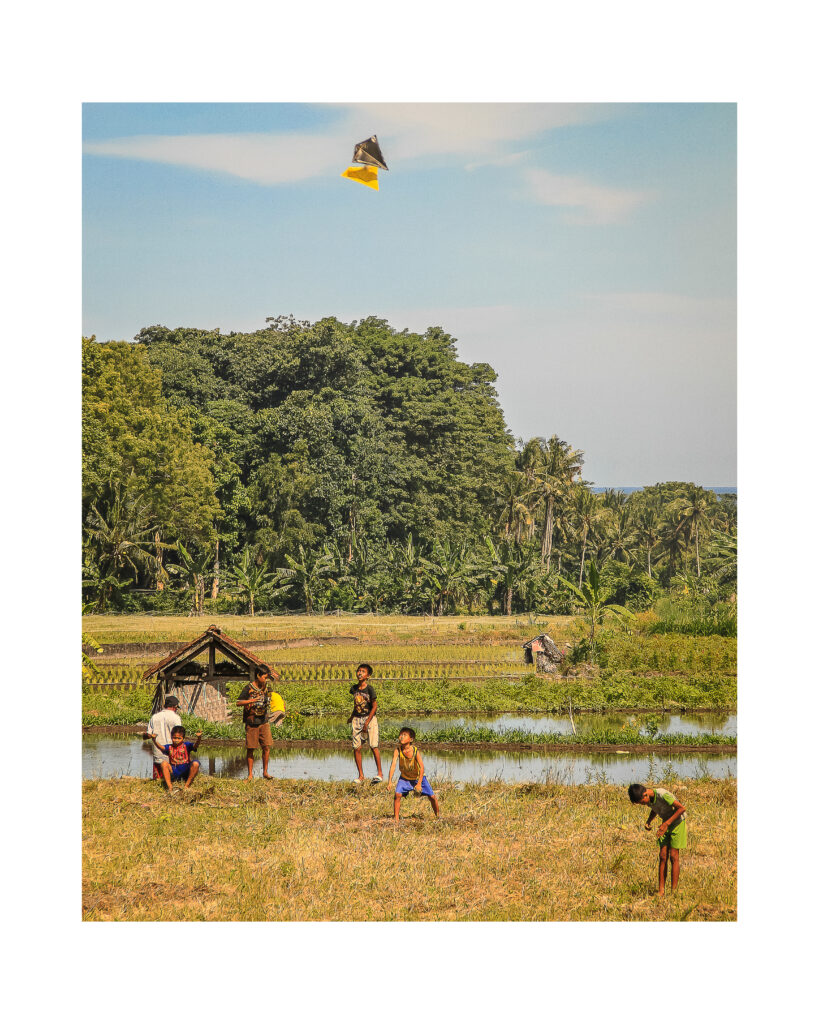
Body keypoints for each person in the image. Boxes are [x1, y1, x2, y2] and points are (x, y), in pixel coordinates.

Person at [628, 783, 687, 895]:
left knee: (674, 856)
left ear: (645, 794)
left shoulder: (662, 794)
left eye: (641, 802)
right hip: (665, 823)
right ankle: (661, 891)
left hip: (678, 822)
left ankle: (674, 892)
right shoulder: (650, 799)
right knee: (663, 856)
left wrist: (667, 824)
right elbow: (655, 808)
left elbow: (681, 808)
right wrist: (649, 821)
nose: (642, 804)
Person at [237, 664, 281, 781]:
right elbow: (238, 702)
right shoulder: (248, 688)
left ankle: (265, 772)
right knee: (251, 748)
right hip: (251, 722)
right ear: (258, 675)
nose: (265, 680)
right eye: (264, 677)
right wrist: (253, 700)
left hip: (263, 721)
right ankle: (250, 775)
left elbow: (269, 697)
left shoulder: (265, 687)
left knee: (266, 747)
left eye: (267, 678)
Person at [387, 727, 439, 822]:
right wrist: (389, 781)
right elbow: (393, 765)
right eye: (401, 734)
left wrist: (419, 783)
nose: (402, 737)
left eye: (405, 735)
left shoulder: (415, 751)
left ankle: (438, 816)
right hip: (405, 778)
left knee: (432, 797)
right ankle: (396, 820)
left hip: (418, 778)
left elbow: (422, 767)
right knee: (397, 795)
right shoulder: (397, 750)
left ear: (411, 739)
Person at [347, 663, 382, 783]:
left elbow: (374, 706)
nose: (360, 673)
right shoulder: (354, 689)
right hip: (357, 719)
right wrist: (351, 717)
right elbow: (356, 705)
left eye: (363, 671)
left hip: (369, 718)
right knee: (356, 747)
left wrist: (367, 722)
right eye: (358, 671)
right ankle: (361, 776)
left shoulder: (369, 689)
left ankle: (380, 774)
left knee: (373, 746)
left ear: (368, 676)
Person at [148, 725, 202, 793]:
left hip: (186, 770)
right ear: (171, 737)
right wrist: (154, 740)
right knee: (164, 763)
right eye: (174, 738)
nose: (176, 740)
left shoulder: (186, 745)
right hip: (174, 770)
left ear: (183, 738)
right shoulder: (169, 747)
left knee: (195, 763)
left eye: (179, 738)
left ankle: (186, 786)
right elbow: (161, 747)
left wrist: (199, 738)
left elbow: (195, 746)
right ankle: (170, 786)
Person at [145, 694, 182, 785]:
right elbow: (179, 735)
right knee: (172, 779)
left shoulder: (154, 717)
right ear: (174, 707)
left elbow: (149, 734)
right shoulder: (176, 718)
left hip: (158, 752)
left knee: (158, 779)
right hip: (172, 753)